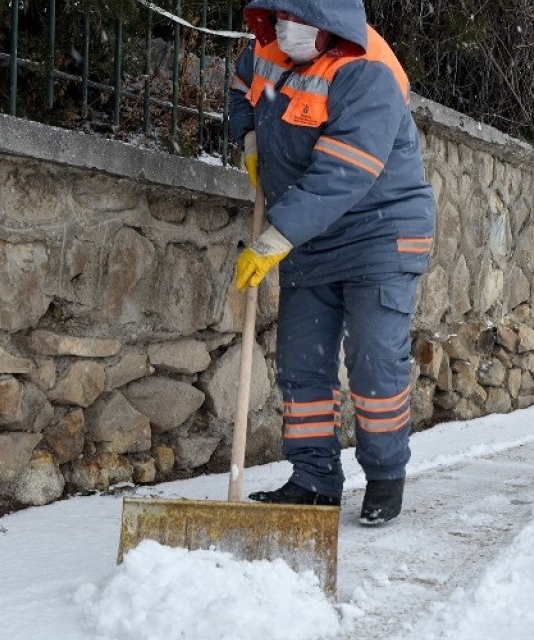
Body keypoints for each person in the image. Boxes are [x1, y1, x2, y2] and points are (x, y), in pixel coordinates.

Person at [228, 0, 434, 526]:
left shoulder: (368, 72)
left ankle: (386, 475)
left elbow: (344, 173)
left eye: (295, 21)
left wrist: (277, 237)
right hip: (311, 232)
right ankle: (314, 479)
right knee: (301, 362)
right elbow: (242, 87)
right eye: (278, 18)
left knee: (373, 358)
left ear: (329, 23)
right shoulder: (269, 48)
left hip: (381, 231)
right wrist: (249, 137)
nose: (283, 30)